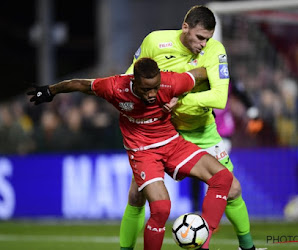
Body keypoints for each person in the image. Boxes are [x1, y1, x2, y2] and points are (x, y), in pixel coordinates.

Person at [27, 58, 233, 250]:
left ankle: (204, 244)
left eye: (155, 87)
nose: (152, 94)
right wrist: (50, 91)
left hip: (172, 143)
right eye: (146, 89)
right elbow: (81, 84)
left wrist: (183, 98)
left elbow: (203, 73)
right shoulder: (115, 87)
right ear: (134, 81)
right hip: (142, 152)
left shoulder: (171, 82)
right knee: (161, 209)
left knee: (222, 177)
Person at [121, 6, 266, 250]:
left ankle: (247, 247)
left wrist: (181, 99)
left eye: (207, 38)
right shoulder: (155, 42)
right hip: (164, 131)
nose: (203, 44)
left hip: (202, 131)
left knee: (232, 188)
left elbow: (220, 98)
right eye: (200, 37)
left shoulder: (215, 50)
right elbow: (129, 78)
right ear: (185, 27)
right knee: (137, 195)